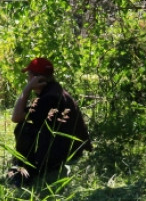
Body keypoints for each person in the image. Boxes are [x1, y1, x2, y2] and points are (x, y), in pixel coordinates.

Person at [8, 57, 91, 186]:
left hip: (61, 156)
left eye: (29, 76)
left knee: (23, 128)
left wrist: (27, 88)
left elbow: (16, 117)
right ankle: (26, 166)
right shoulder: (56, 91)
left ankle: (26, 170)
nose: (27, 79)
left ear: (37, 78)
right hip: (73, 151)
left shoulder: (49, 98)